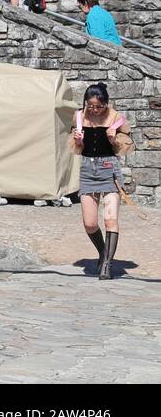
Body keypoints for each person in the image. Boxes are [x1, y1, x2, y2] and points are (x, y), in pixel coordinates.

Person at [71, 83, 132, 280]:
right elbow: (76, 148)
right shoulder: (79, 117)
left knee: (110, 219)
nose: (95, 110)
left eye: (99, 106)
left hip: (109, 170)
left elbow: (124, 147)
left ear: (106, 103)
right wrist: (78, 140)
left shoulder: (115, 118)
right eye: (91, 106)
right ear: (86, 103)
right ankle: (103, 251)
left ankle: (106, 264)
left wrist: (113, 139)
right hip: (88, 170)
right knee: (89, 223)